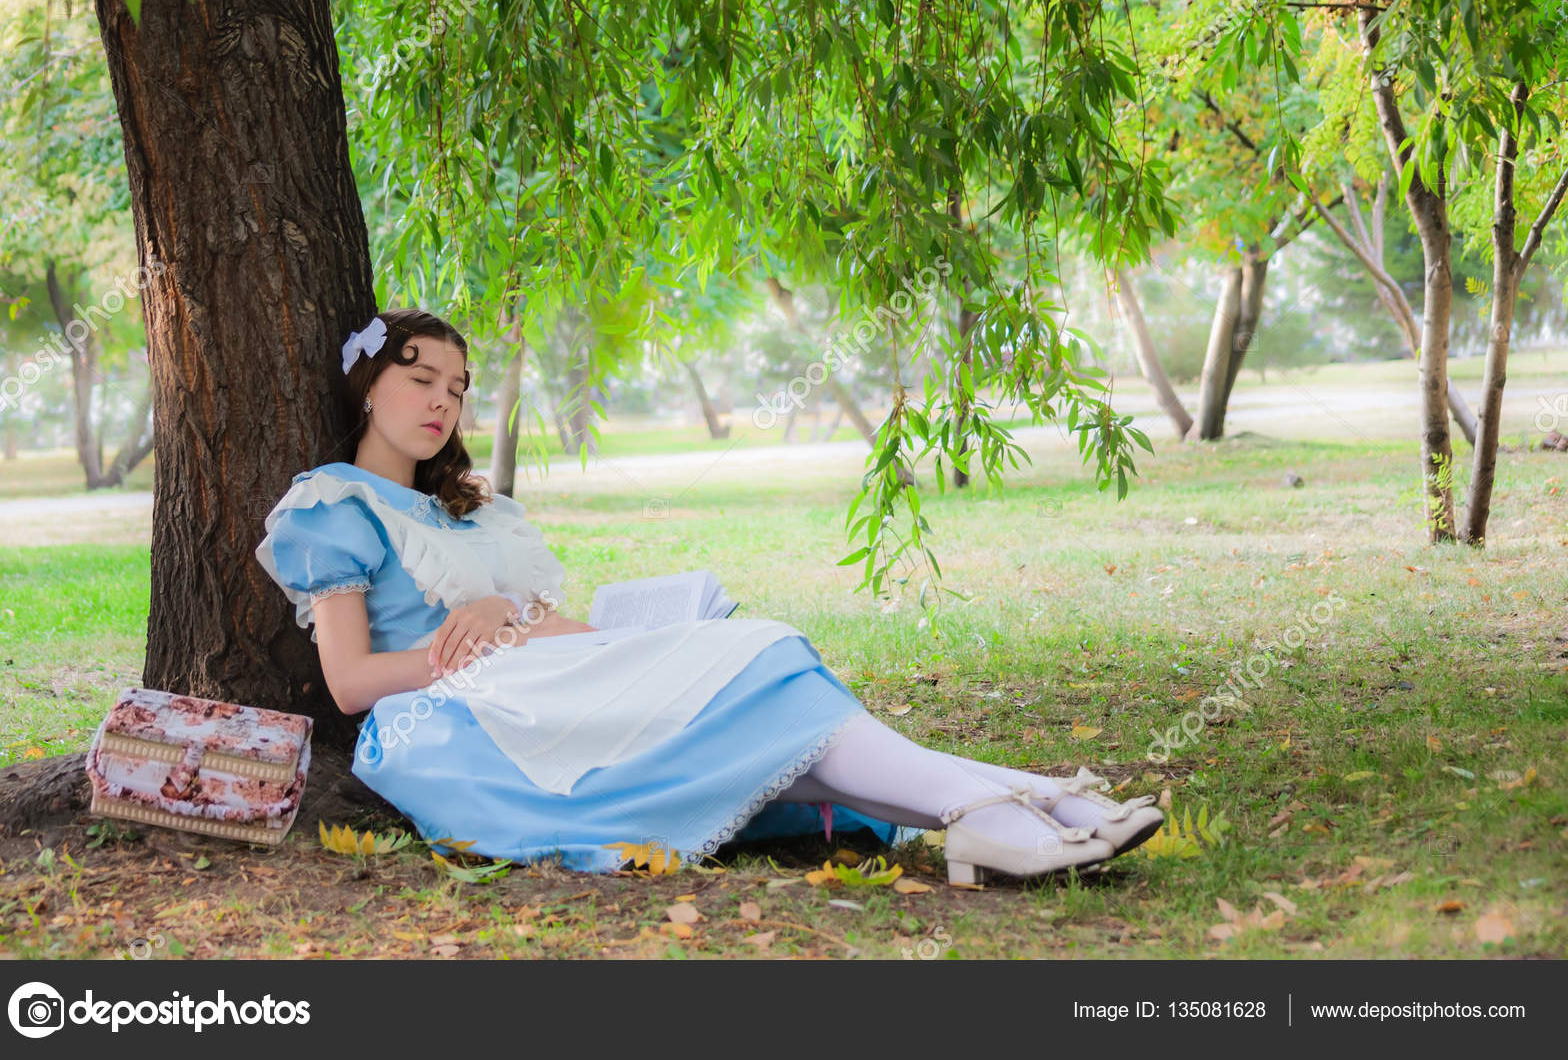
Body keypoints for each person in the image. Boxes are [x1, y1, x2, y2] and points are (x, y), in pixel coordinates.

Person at [254, 309, 1164, 882]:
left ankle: (1022, 805)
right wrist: (486, 638)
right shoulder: (334, 504)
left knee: (753, 683)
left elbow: (545, 624)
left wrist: (527, 621)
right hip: (451, 722)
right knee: (755, 666)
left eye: (455, 387)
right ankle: (1017, 809)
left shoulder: (471, 512)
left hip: (537, 677)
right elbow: (349, 683)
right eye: (420, 380)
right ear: (370, 384)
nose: (442, 402)